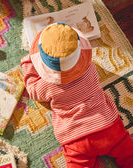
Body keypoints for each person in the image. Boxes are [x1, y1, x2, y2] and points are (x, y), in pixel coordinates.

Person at [21, 23, 133, 168]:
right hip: (108, 127)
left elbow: (32, 90)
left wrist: (27, 63)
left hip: (75, 138)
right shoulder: (90, 69)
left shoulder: (46, 86)